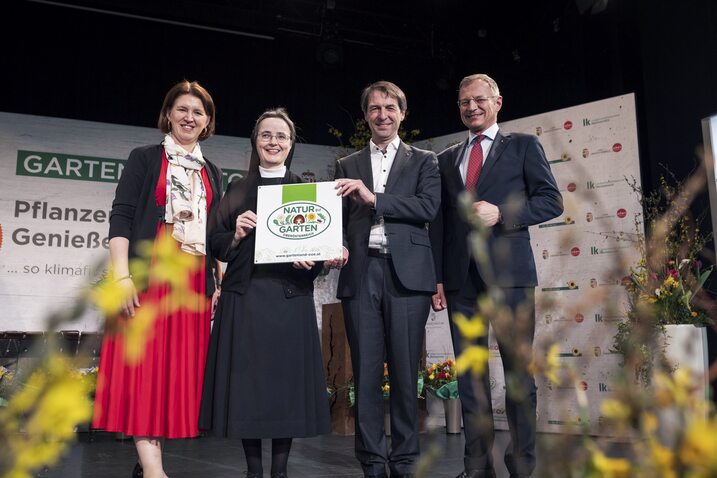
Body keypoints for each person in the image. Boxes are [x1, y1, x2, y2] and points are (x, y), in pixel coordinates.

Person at [429, 74, 563, 478]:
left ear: (498, 102)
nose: (471, 107)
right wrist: (438, 277)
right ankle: (476, 467)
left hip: (511, 278)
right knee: (470, 380)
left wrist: (502, 213)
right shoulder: (446, 158)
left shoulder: (523, 145)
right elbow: (440, 224)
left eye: (479, 99)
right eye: (464, 102)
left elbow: (551, 200)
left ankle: (521, 467)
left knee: (519, 376)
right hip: (460, 282)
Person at [92, 80, 223, 478]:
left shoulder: (213, 172)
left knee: (172, 380)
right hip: (149, 280)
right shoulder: (145, 158)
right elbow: (122, 217)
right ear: (168, 115)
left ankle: (144, 463)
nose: (189, 117)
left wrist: (218, 283)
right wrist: (121, 277)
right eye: (182, 109)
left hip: (191, 286)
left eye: (198, 112)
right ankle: (154, 471)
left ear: (207, 123)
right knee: (146, 373)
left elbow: (216, 234)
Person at [199, 108, 330, 478]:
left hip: (290, 300)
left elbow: (317, 250)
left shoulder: (307, 192)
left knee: (283, 390)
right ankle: (254, 471)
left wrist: (313, 262)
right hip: (245, 299)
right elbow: (215, 244)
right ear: (256, 142)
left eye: (281, 137)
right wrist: (237, 233)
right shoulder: (236, 190)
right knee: (248, 391)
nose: (274, 142)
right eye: (266, 136)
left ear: (291, 145)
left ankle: (281, 471)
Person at [327, 80, 441, 478]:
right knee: (367, 372)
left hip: (407, 277)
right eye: (375, 108)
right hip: (362, 273)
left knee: (407, 373)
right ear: (366, 115)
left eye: (390, 108)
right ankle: (372, 461)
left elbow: (428, 207)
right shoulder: (347, 165)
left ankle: (406, 459)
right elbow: (337, 222)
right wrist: (334, 246)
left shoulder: (425, 160)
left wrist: (374, 198)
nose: (383, 115)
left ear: (402, 114)